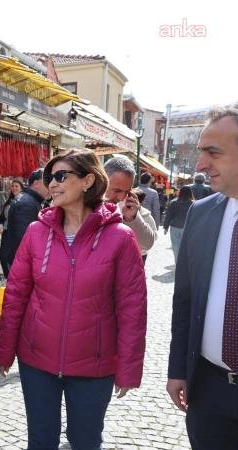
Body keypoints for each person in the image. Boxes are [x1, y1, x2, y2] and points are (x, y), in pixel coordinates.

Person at [0, 149, 147, 449]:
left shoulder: (120, 238)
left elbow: (133, 308)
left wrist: (128, 368)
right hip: (36, 360)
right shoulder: (36, 232)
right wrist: (4, 350)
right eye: (50, 177)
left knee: (85, 441)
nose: (52, 184)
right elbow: (16, 294)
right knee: (40, 441)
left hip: (95, 364)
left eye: (61, 176)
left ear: (89, 180)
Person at [167, 103, 238, 448]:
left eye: (213, 152)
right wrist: (178, 368)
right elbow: (185, 299)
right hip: (208, 390)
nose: (200, 165)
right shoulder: (202, 212)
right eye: (201, 152)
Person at [103, 155, 158, 262]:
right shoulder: (82, 206)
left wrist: (132, 218)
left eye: (127, 192)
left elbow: (147, 244)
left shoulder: (129, 207)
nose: (122, 197)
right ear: (102, 181)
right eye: (117, 191)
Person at [0, 169, 49, 278]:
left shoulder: (29, 200)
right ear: (36, 183)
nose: (50, 186)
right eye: (46, 181)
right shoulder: (27, 203)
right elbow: (22, 240)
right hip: (23, 266)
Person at [163, 185, 194, 263]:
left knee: (176, 246)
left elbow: (169, 215)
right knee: (186, 247)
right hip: (188, 227)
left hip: (175, 227)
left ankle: (178, 263)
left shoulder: (174, 202)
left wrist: (165, 227)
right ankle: (185, 263)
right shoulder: (193, 204)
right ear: (190, 193)